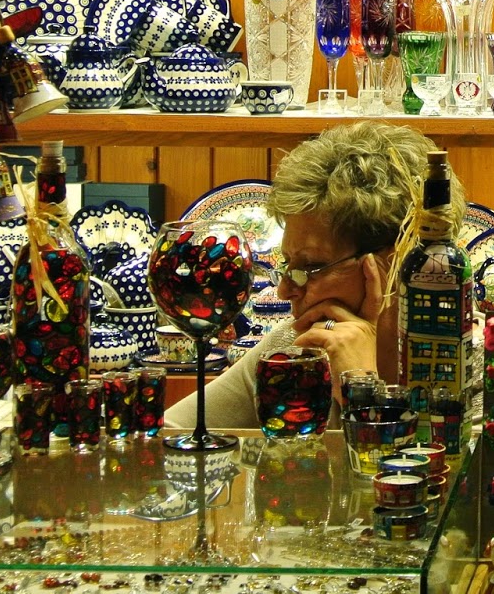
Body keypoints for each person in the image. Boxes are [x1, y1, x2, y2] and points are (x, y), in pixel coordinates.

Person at [165, 121, 467, 431]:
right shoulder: (295, 346)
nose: (284, 290)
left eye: (310, 266)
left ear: (395, 263)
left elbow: (445, 463)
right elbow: (173, 432)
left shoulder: (471, 363)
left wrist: (361, 390)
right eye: (287, 264)